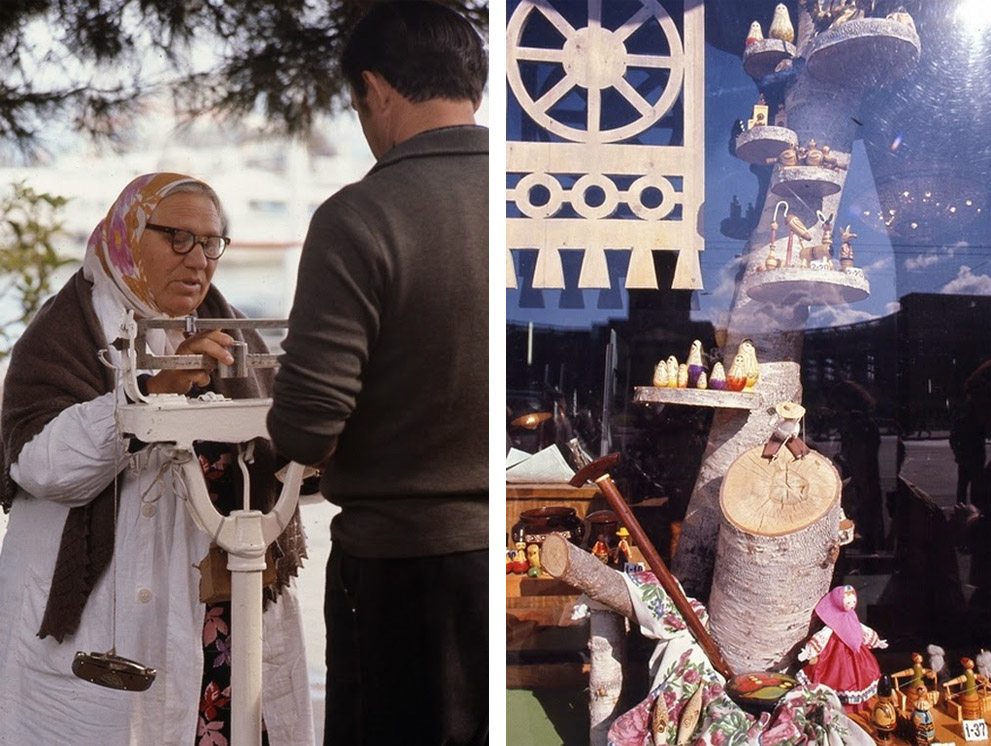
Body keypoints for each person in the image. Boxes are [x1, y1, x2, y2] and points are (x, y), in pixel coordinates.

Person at [0, 172, 313, 745]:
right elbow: (38, 465)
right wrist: (156, 388)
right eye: (178, 238)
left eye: (211, 242)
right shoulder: (61, 334)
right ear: (126, 235)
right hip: (104, 628)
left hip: (222, 623)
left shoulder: (233, 335)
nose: (198, 259)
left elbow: (274, 464)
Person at [266, 3, 488, 745]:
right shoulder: (542, 199)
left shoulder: (360, 216)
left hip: (401, 567)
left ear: (375, 90)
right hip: (531, 547)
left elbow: (306, 423)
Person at [796, 585, 888, 713]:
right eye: (848, 602)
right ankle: (836, 705)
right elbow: (823, 636)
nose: (851, 605)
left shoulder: (851, 617)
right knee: (837, 677)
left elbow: (861, 630)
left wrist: (875, 640)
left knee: (859, 676)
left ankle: (857, 705)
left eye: (853, 602)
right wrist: (810, 650)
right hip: (836, 654)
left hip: (855, 653)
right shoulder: (833, 622)